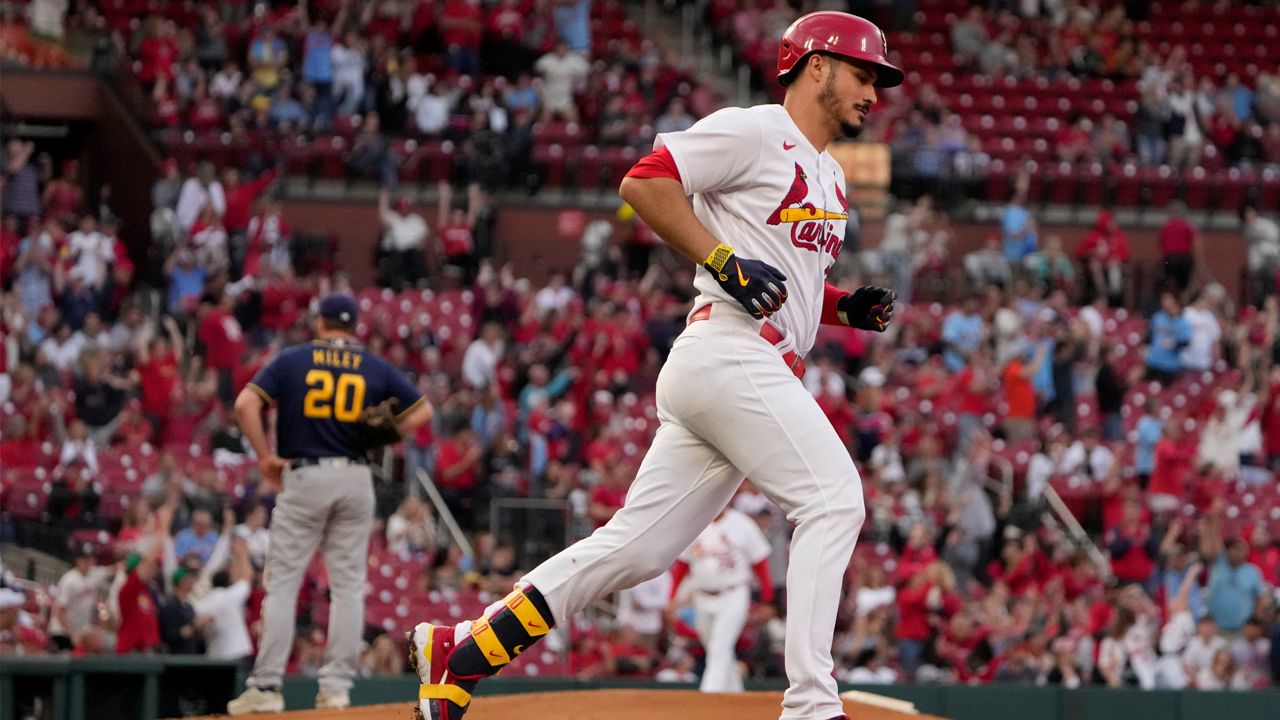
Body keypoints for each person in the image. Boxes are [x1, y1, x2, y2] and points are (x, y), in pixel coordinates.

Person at [406, 12, 898, 720]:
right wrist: (722, 260)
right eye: (863, 73)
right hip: (731, 351)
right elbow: (645, 181)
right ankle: (813, 707)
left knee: (634, 553)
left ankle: (466, 649)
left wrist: (845, 307)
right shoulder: (758, 130)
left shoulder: (829, 173)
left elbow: (787, 285)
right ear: (815, 65)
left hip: (743, 363)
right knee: (833, 500)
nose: (874, 91)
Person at [227, 293, 432, 714]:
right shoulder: (372, 364)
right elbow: (422, 411)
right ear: (353, 325)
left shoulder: (292, 359)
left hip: (306, 475)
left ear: (319, 322)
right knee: (349, 587)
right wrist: (386, 433)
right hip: (356, 476)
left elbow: (245, 404)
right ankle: (336, 688)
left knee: (283, 584)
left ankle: (266, 687)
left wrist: (265, 457)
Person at [668, 506, 774, 693]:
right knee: (717, 650)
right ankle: (735, 695)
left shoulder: (742, 524)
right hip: (702, 596)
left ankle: (709, 696)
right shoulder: (694, 521)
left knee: (719, 648)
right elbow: (682, 565)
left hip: (733, 594)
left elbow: (761, 563)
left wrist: (767, 600)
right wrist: (672, 597)